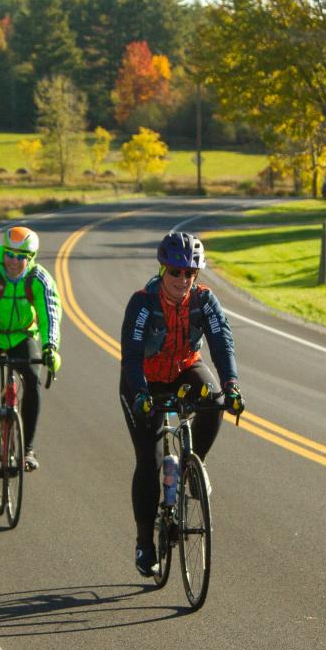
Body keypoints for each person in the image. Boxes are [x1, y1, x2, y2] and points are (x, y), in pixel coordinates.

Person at [118, 230, 244, 576]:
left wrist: (232, 385)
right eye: (175, 272)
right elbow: (130, 355)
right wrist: (142, 394)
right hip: (143, 380)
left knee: (214, 397)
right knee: (150, 459)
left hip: (185, 368)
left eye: (189, 273)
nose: (182, 279)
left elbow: (222, 344)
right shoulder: (143, 302)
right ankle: (145, 543)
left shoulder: (204, 301)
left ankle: (193, 468)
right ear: (163, 270)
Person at [0, 225, 62, 486]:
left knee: (32, 379)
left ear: (31, 258)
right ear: (3, 253)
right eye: (10, 254)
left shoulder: (39, 279)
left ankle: (27, 449)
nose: (14, 262)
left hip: (22, 335)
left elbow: (50, 314)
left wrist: (50, 347)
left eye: (21, 257)